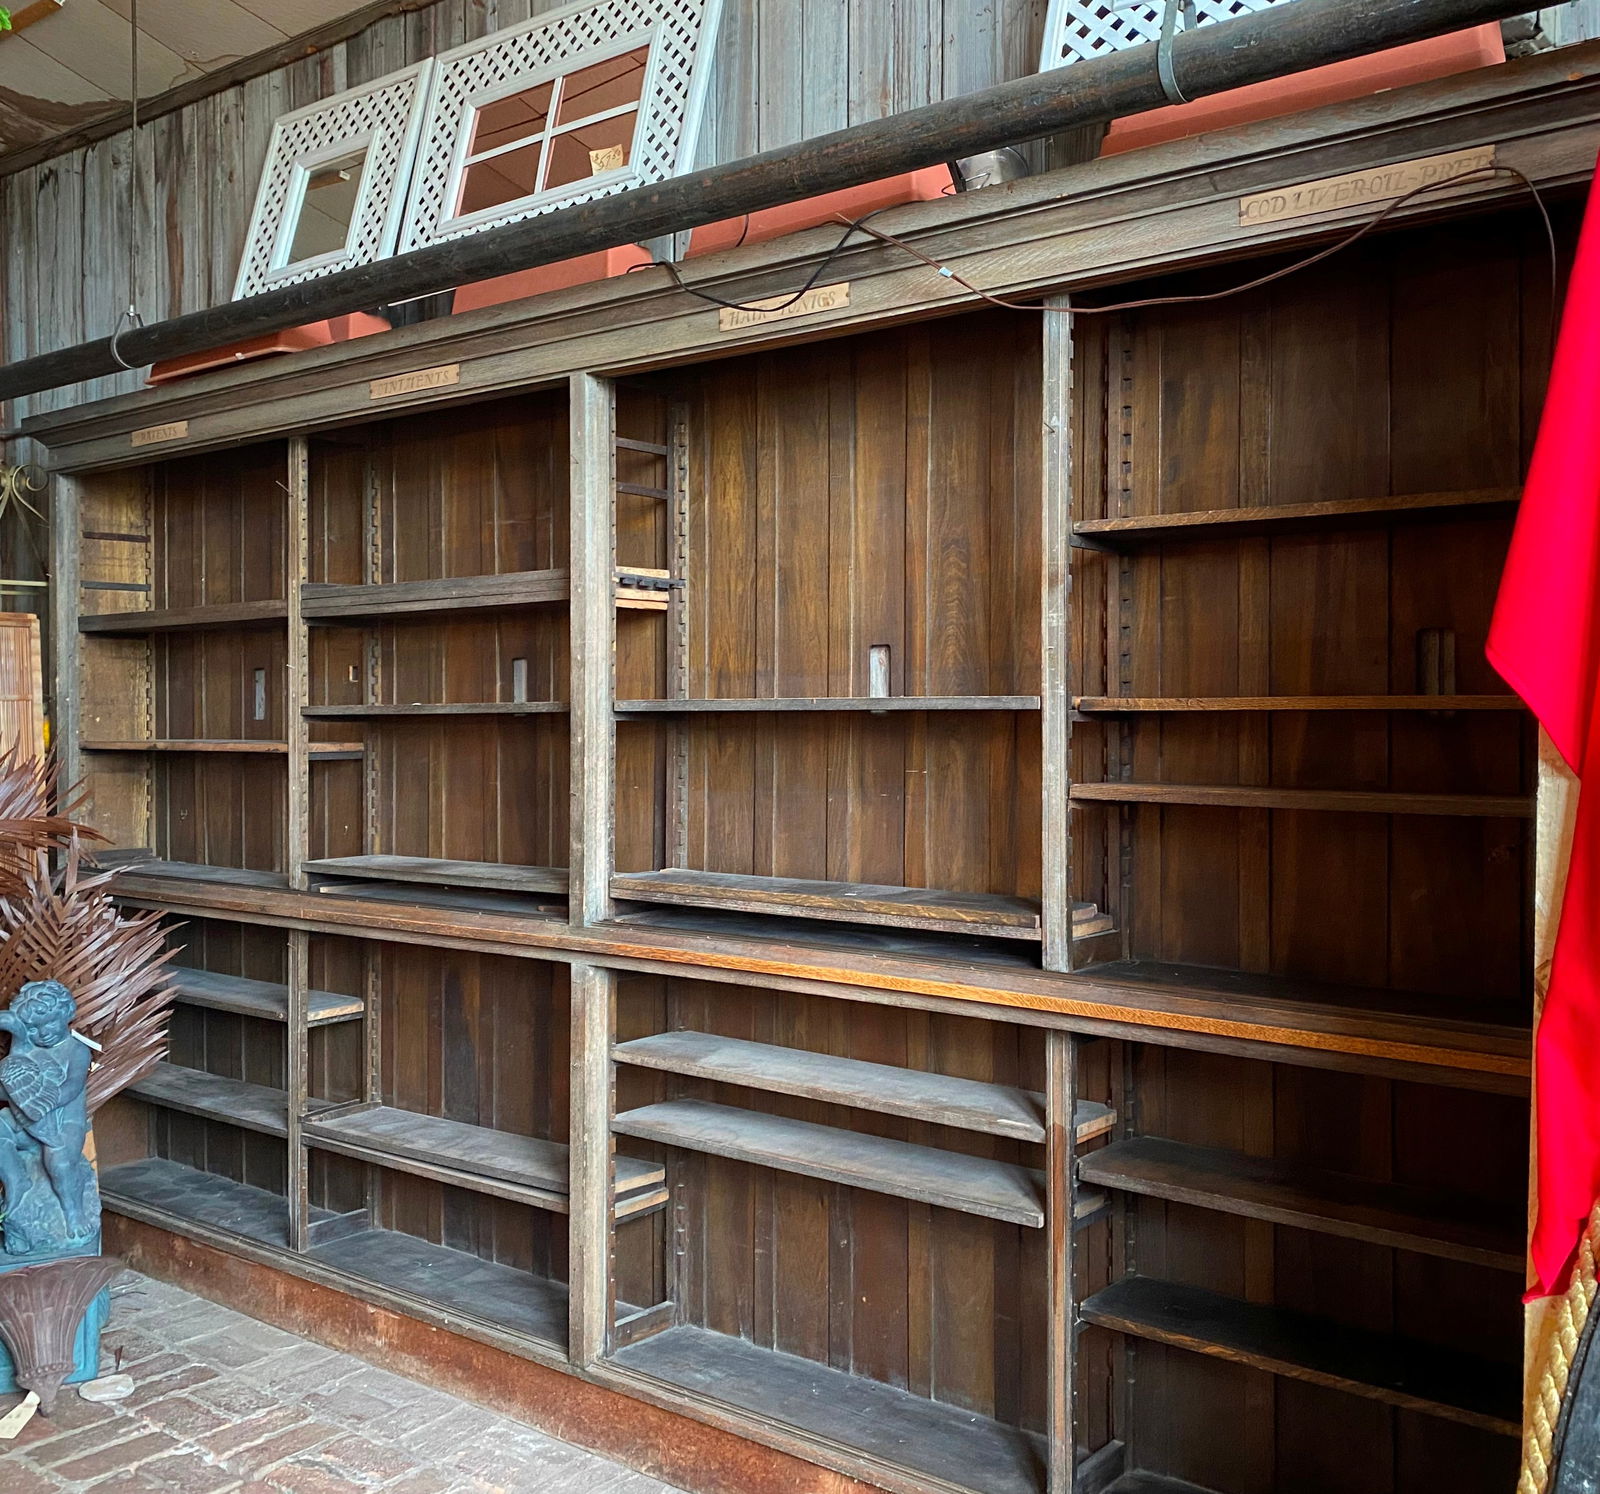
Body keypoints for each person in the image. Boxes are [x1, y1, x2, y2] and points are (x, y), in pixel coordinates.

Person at [0, 980, 94, 1252]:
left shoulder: (77, 1050)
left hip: (66, 1122)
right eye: (31, 1028)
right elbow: (9, 1093)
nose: (42, 1033)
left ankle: (73, 1209)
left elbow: (72, 1087)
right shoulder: (24, 1052)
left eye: (49, 1023)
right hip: (28, 1121)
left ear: (66, 1014)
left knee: (60, 1161)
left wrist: (42, 1101)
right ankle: (16, 1181)